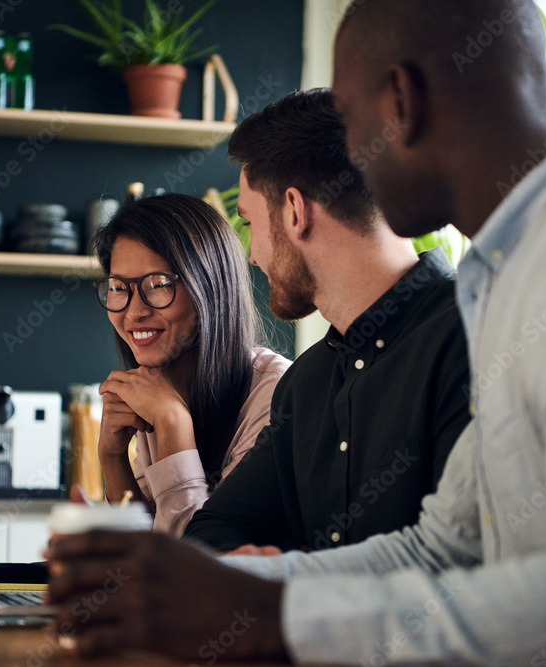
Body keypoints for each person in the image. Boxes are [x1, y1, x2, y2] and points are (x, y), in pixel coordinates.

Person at [45, 1, 546, 665]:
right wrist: (210, 585)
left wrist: (274, 613)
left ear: (400, 102)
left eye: (351, 120)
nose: (349, 158)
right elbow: (442, 548)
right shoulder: (518, 274)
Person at [182, 87, 471, 553]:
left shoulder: (473, 336)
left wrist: (285, 581)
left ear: (295, 212)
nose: (251, 255)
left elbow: (456, 561)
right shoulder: (306, 383)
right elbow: (212, 530)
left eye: (250, 224)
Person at [87, 193, 290, 536]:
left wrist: (172, 425)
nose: (133, 312)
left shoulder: (278, 396)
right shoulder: (158, 390)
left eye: (159, 285)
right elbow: (141, 553)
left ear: (210, 287)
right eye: (119, 288)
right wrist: (112, 456)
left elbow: (199, 565)